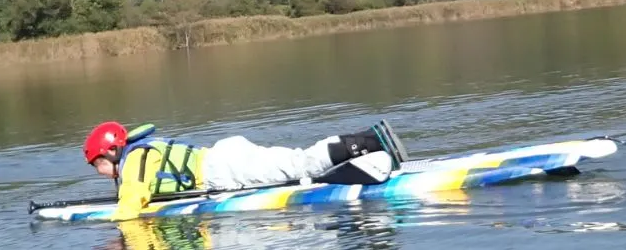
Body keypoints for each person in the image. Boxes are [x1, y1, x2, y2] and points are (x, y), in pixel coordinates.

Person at [82, 120, 409, 220]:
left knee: (299, 164)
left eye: (98, 162)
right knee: (297, 167)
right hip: (225, 162)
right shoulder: (136, 157)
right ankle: (369, 147)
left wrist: (109, 234)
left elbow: (130, 206)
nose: (98, 171)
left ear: (113, 150)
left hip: (224, 170)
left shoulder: (136, 159)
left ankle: (372, 139)